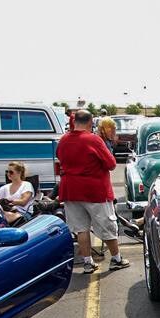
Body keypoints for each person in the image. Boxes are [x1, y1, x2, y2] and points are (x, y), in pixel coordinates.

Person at [56, 109, 129, 273]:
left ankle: (88, 262)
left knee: (81, 228)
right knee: (107, 225)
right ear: (90, 122)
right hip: (94, 190)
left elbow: (60, 158)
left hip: (71, 190)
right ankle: (116, 259)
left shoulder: (64, 140)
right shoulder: (93, 140)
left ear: (75, 122)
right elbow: (111, 164)